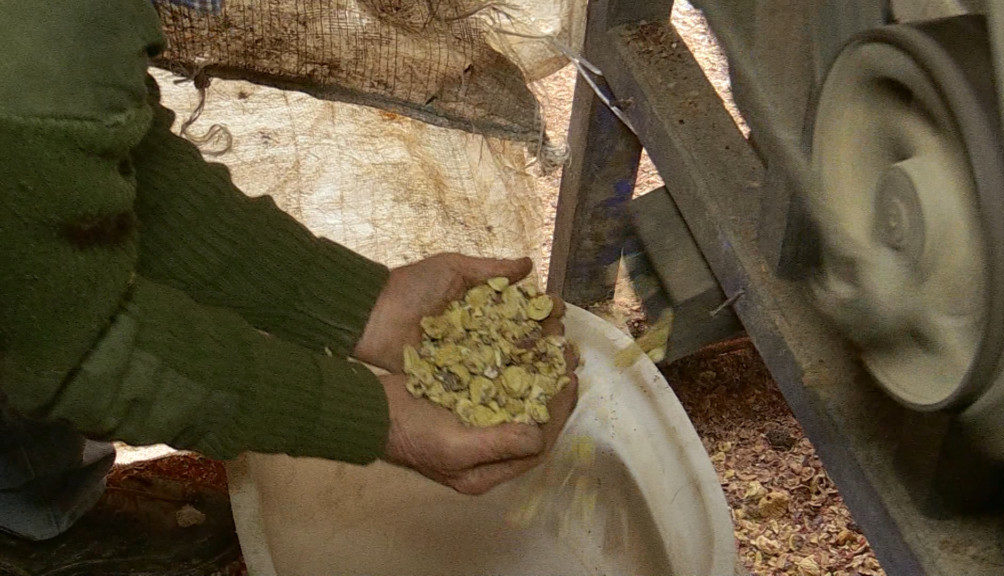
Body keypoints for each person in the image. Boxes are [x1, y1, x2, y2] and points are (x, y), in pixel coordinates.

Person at [0, 0, 578, 571]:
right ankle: (26, 532)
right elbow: (67, 343)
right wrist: (377, 419)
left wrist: (363, 305)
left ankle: (25, 501)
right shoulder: (42, 49)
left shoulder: (62, 59)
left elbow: (107, 160)